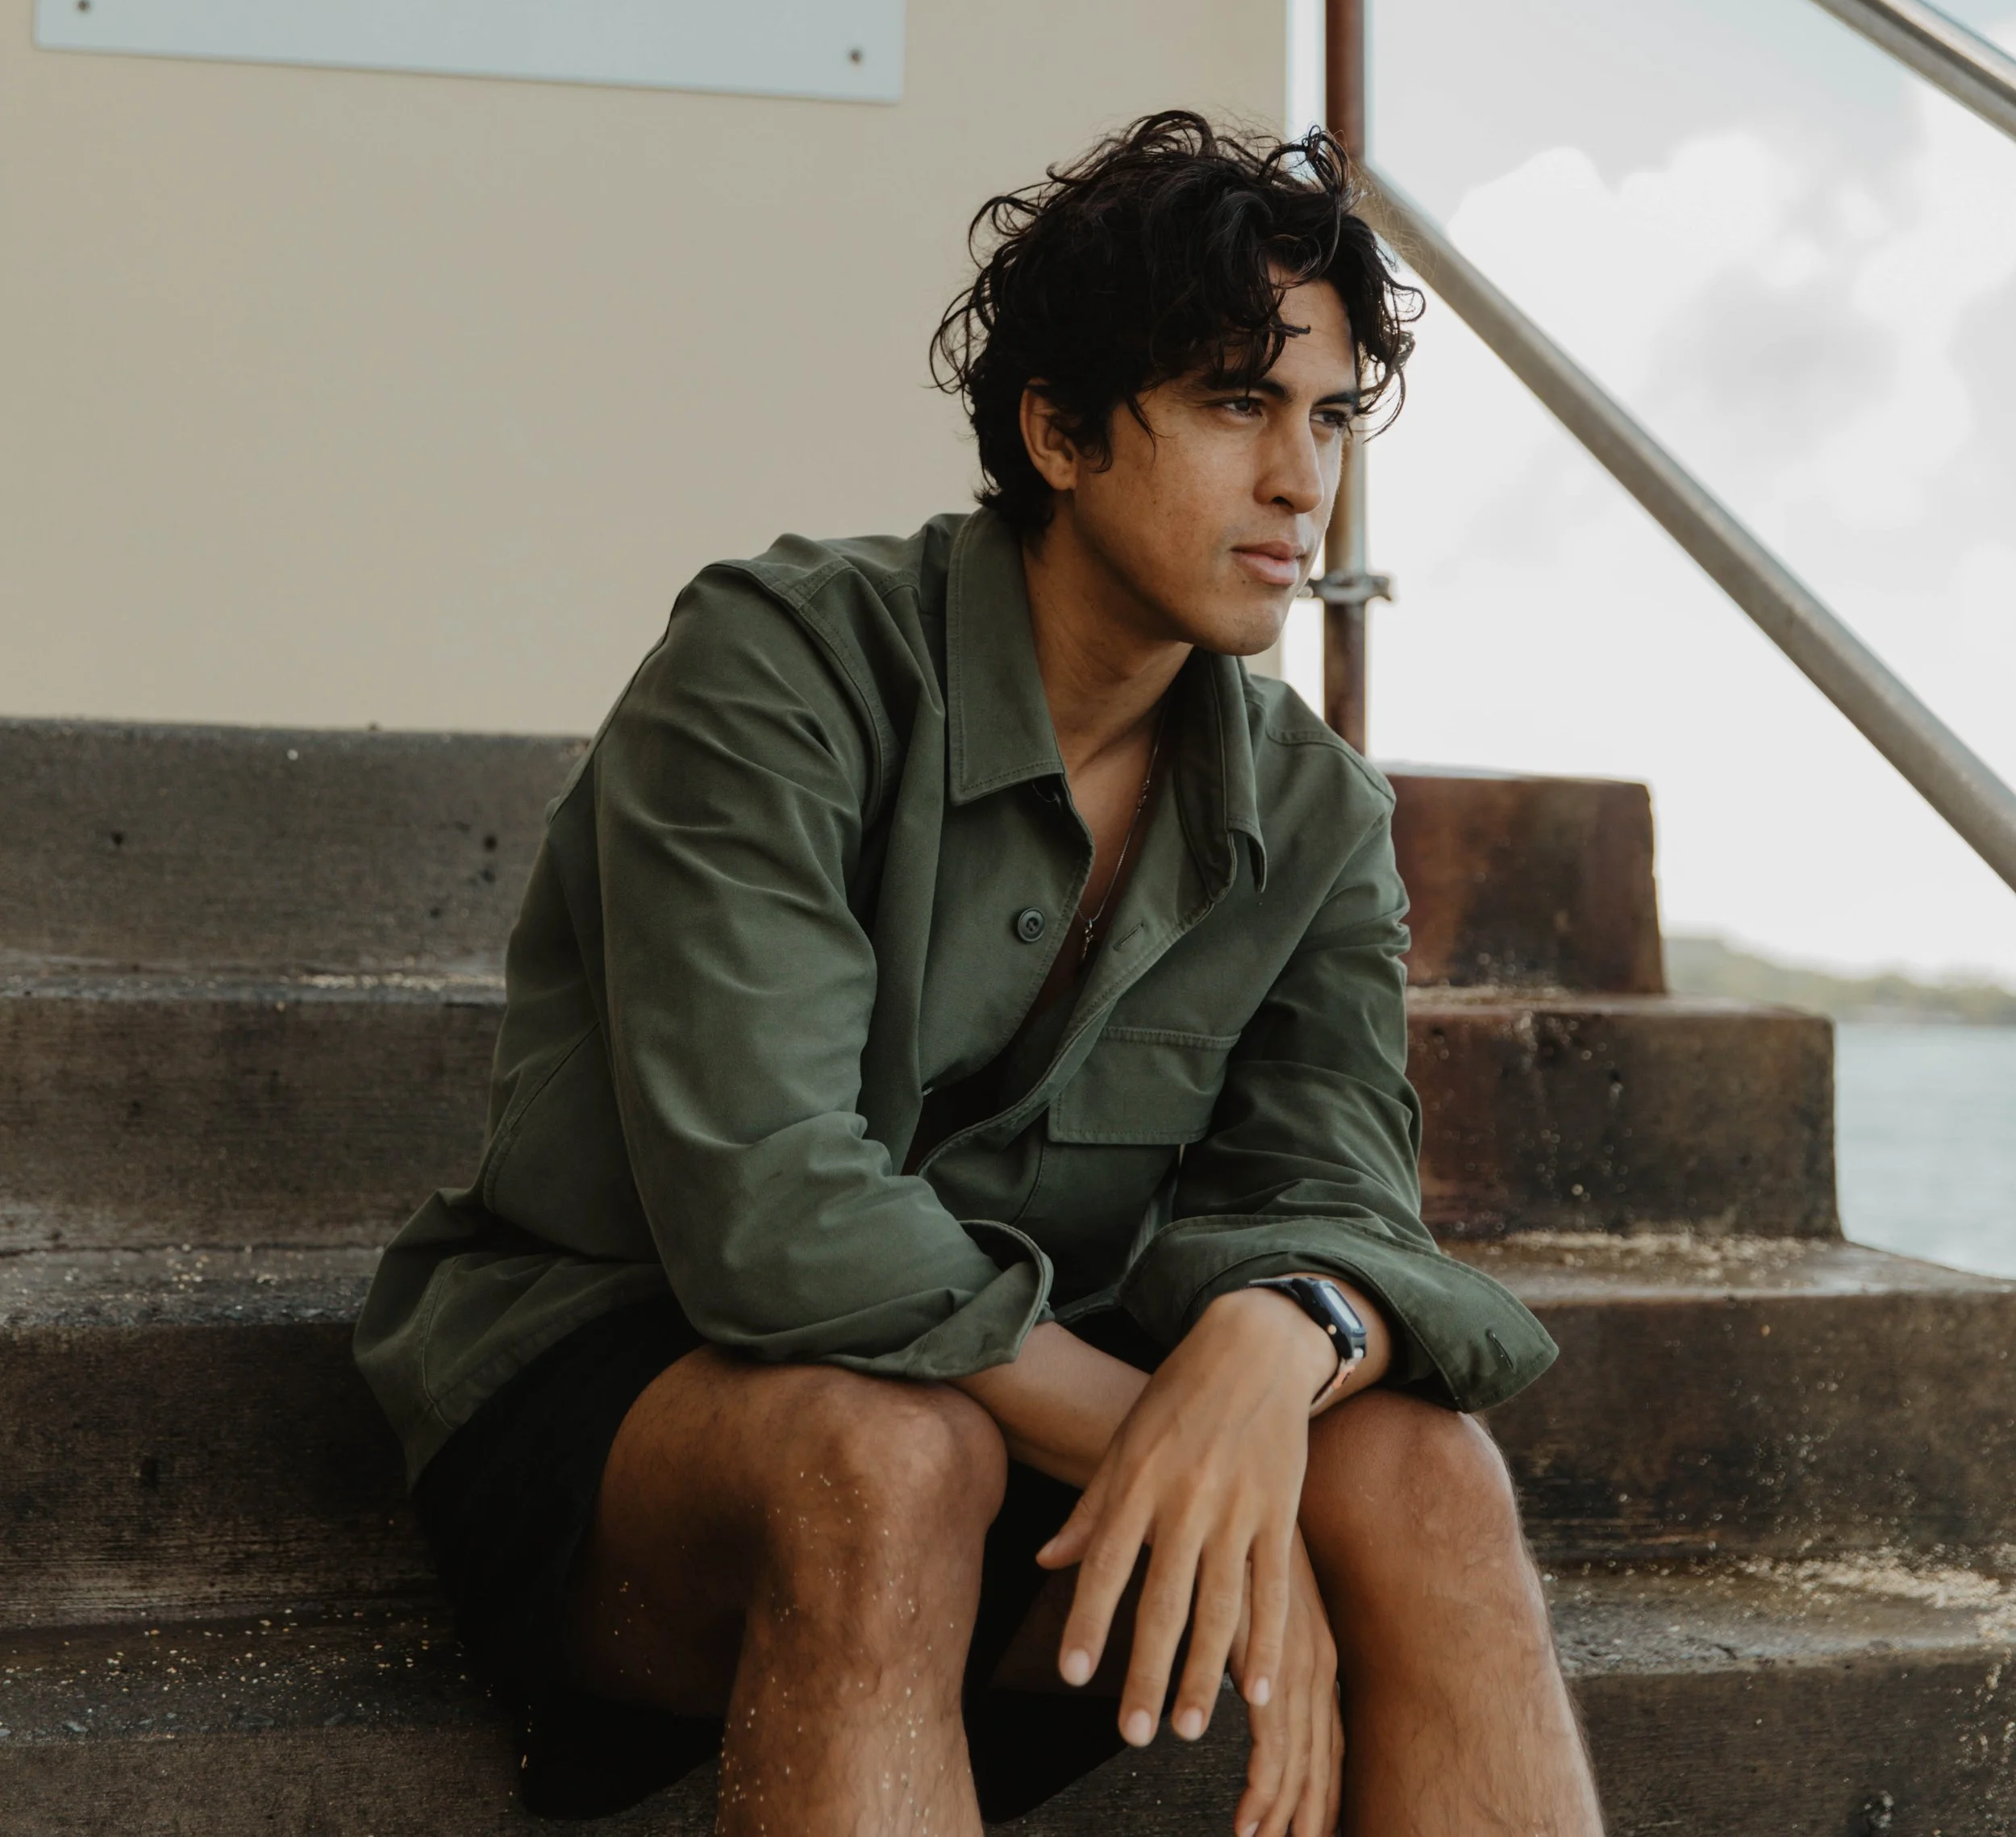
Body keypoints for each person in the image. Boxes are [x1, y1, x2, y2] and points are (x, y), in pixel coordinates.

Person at [356, 111, 1604, 1836]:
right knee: (888, 1458)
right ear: (1060, 432)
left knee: (1421, 1474)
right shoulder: (778, 668)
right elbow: (775, 1214)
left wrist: (1277, 1339)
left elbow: (1341, 1203)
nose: (1300, 482)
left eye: (1324, 418)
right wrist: (1200, 1470)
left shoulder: (1312, 811)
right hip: (632, 1407)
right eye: (1236, 404)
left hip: (1024, 1437)